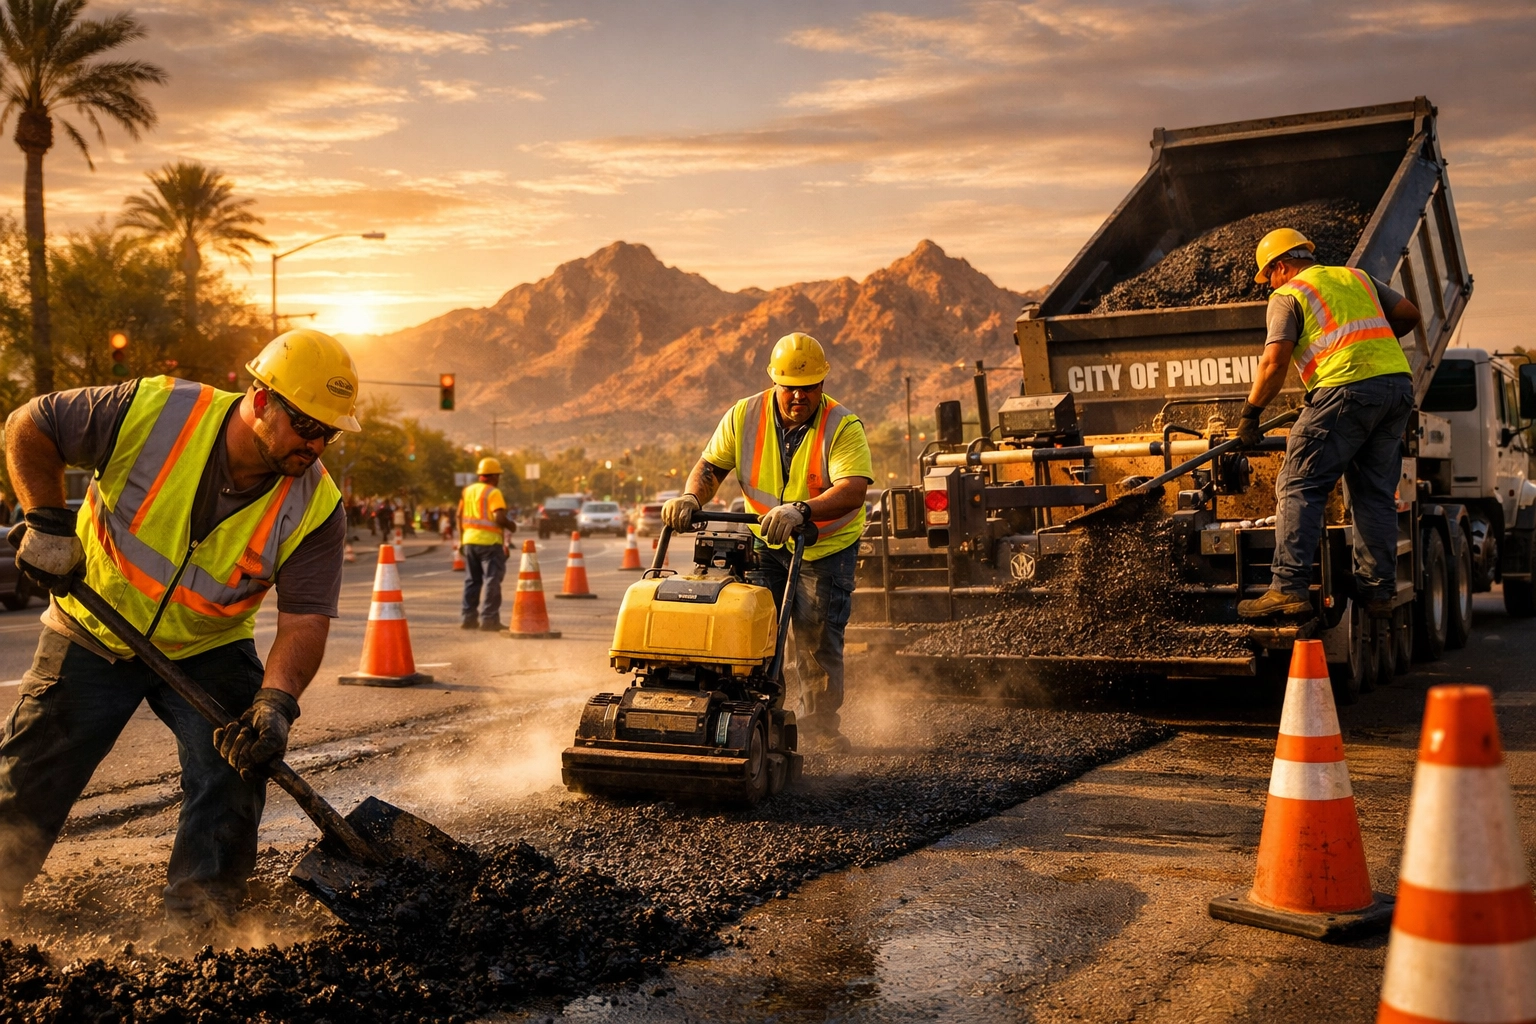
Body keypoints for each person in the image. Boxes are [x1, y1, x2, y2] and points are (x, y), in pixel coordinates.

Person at [0, 328, 358, 928]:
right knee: (34, 772)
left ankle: (199, 928)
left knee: (235, 769)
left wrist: (275, 702)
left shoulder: (318, 508)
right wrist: (45, 521)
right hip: (93, 625)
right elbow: (28, 424)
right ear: (262, 399)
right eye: (307, 425)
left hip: (206, 646)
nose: (317, 444)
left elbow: (304, 620)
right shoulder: (157, 411)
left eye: (330, 432)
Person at [661, 333, 872, 752]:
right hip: (764, 542)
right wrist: (690, 496)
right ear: (774, 381)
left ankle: (821, 728)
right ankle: (763, 720)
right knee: (755, 630)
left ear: (823, 384)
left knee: (815, 638)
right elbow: (710, 466)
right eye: (790, 386)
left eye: (808, 386)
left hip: (823, 548)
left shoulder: (842, 425)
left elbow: (853, 488)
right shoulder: (745, 415)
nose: (799, 395)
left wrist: (802, 511)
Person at [1236, 228, 1422, 619]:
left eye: (1267, 276)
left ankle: (1287, 588)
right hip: (1397, 388)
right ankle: (1377, 591)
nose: (1268, 285)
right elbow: (1408, 315)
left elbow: (1274, 363)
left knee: (1299, 482)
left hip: (1344, 389)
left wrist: (1250, 414)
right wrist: (1376, 347)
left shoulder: (1288, 295)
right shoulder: (1357, 277)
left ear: (1281, 266)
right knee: (1373, 493)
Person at [458, 457, 516, 631]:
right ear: (494, 476)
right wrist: (511, 526)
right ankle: (489, 619)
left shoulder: (468, 491)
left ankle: (468, 618)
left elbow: (458, 515)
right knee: (492, 579)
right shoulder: (493, 492)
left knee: (472, 580)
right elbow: (498, 517)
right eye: (498, 475)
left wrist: (462, 540)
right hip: (489, 543)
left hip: (469, 541)